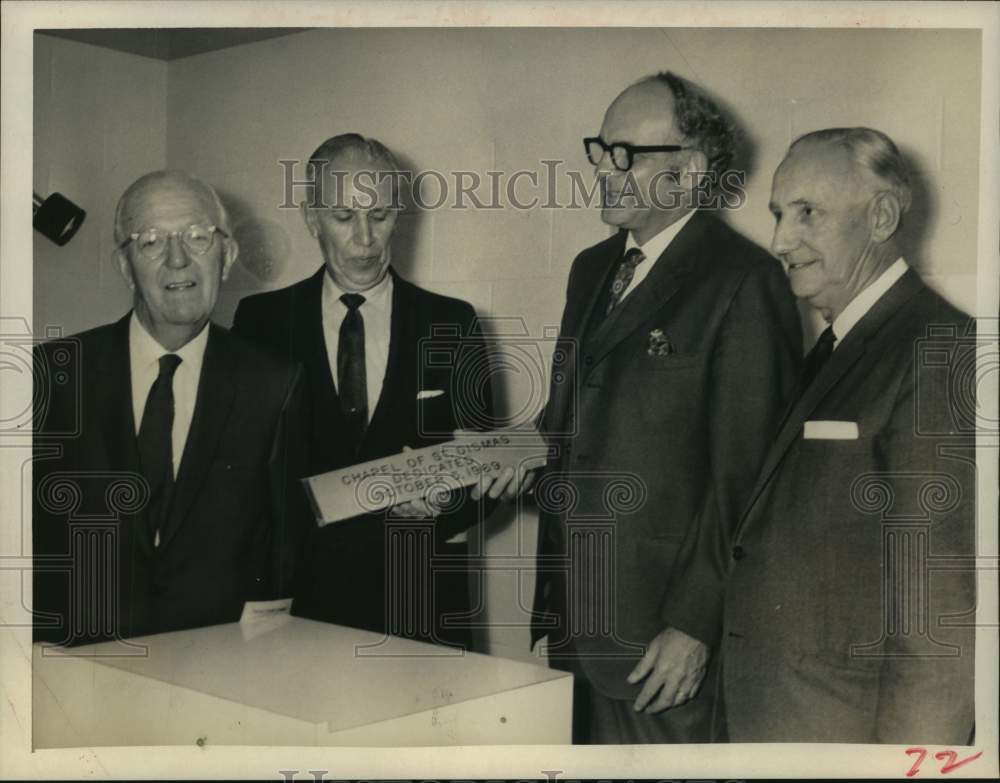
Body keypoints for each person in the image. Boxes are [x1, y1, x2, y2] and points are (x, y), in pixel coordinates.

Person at [661, 127, 977, 743]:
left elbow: (939, 627)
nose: (780, 240)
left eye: (809, 213)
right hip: (782, 722)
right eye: (780, 214)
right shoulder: (838, 346)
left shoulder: (939, 350)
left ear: (882, 216)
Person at [521, 72, 802, 743]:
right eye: (599, 151)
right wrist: (493, 458)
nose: (603, 170)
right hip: (575, 627)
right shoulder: (592, 269)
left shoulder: (744, 280)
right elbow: (567, 427)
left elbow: (750, 481)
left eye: (625, 154)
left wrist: (696, 624)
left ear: (690, 170)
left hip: (663, 647)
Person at [232, 134, 495, 649]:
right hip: (298, 602)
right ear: (311, 218)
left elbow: (482, 470)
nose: (365, 238)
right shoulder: (261, 323)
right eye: (343, 217)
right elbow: (239, 475)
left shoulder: (451, 322)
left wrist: (446, 500)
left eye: (380, 215)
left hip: (420, 600)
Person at [33, 170, 308, 646]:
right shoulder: (54, 373)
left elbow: (283, 556)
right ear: (125, 266)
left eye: (198, 238)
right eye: (152, 242)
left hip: (214, 669)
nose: (178, 260)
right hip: (74, 665)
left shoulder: (275, 383)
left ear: (227, 256)